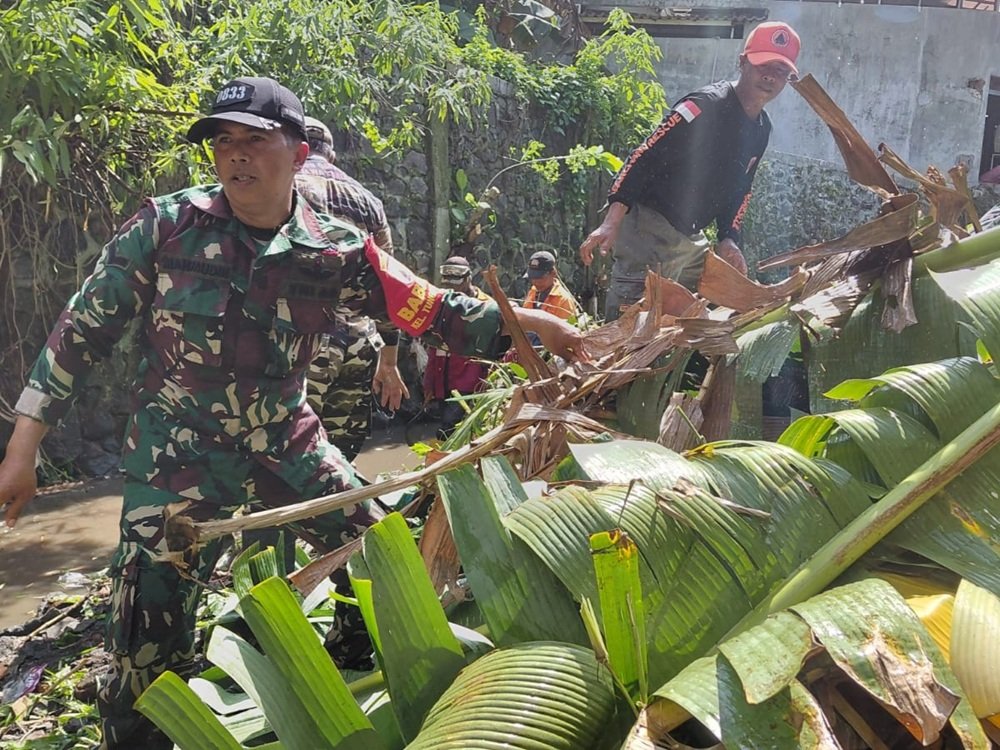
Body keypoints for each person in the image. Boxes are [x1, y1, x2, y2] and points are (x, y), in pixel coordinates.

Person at [0, 76, 584, 749]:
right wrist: (24, 447)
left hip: (286, 444)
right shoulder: (167, 225)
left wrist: (537, 324)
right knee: (143, 648)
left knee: (382, 549)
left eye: (254, 139)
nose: (236, 154)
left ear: (299, 153)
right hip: (175, 460)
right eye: (223, 141)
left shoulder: (335, 249)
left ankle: (358, 669)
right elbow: (81, 330)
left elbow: (433, 311)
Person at [579, 21, 801, 320]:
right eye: (763, 65)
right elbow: (645, 155)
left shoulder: (762, 128)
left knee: (706, 315)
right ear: (743, 62)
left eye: (781, 71)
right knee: (632, 322)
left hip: (690, 237)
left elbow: (741, 190)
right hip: (650, 225)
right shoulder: (704, 106)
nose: (770, 76)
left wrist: (728, 238)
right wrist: (611, 221)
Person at [296, 115, 405, 461]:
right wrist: (390, 361)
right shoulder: (368, 200)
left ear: (296, 149)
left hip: (304, 338)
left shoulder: (282, 187)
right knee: (339, 458)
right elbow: (388, 283)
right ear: (332, 155)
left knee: (290, 448)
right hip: (359, 341)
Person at [423, 257, 491, 438]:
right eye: (448, 284)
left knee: (448, 430)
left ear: (469, 278)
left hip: (470, 382)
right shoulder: (441, 303)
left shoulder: (486, 307)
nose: (453, 289)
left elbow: (493, 349)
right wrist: (429, 383)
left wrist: (488, 383)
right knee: (451, 431)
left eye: (457, 284)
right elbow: (434, 347)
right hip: (443, 380)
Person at [522, 250, 579, 321]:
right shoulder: (533, 292)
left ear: (553, 273)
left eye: (540, 278)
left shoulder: (564, 301)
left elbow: (567, 327)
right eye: (532, 277)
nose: (535, 282)